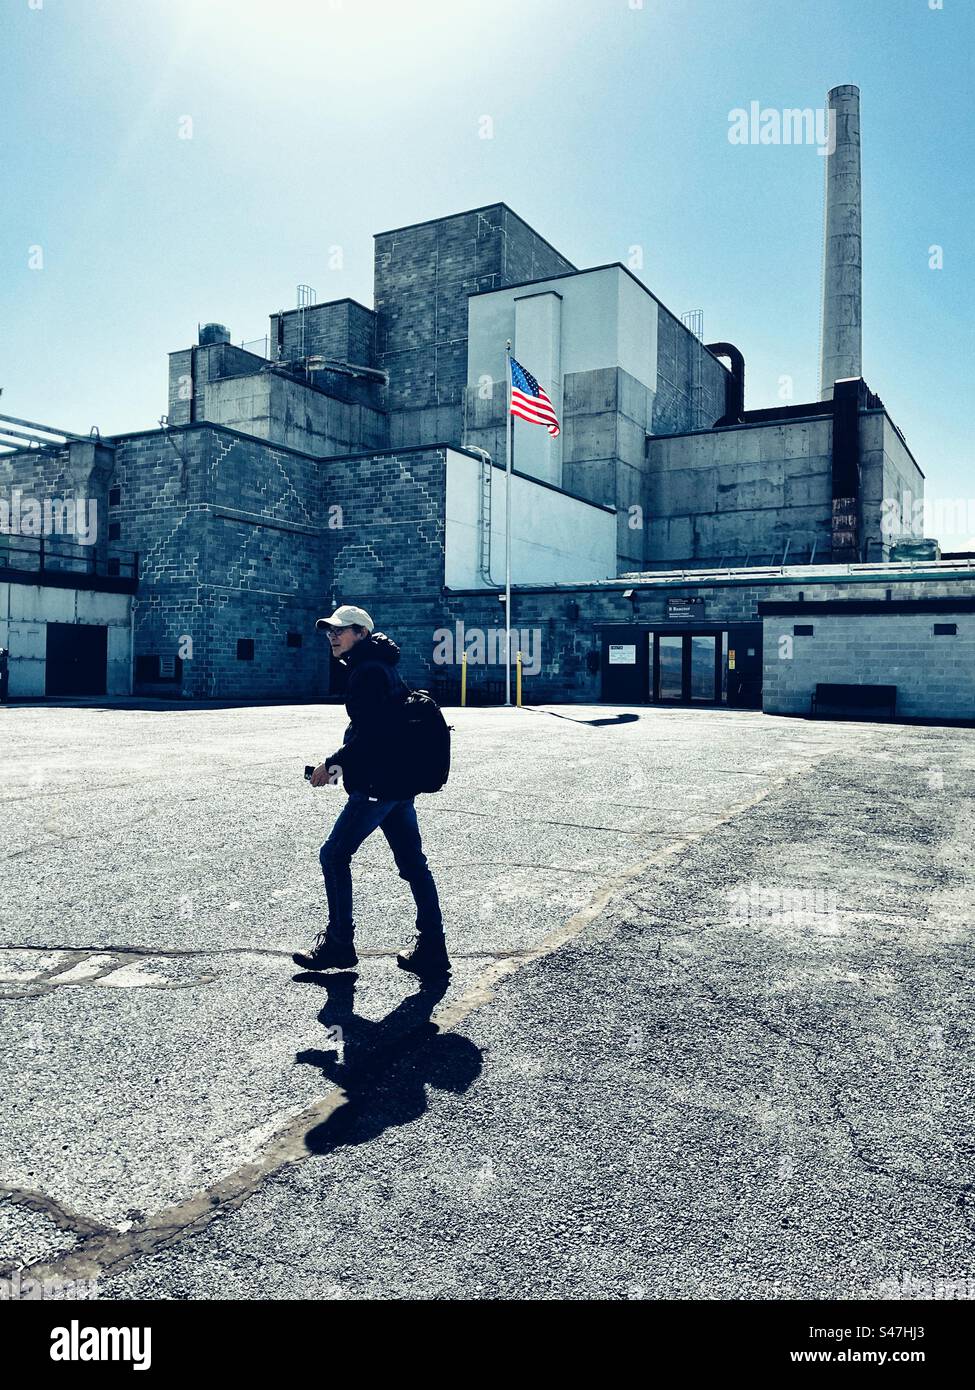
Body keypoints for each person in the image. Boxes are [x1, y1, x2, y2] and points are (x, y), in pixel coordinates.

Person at [293, 604, 450, 977]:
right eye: (329, 630)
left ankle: (339, 945)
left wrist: (329, 766)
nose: (332, 636)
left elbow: (373, 735)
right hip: (396, 784)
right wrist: (339, 768)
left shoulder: (367, 673)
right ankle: (432, 947)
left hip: (380, 786)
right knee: (413, 864)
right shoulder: (379, 666)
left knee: (333, 855)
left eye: (341, 630)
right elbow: (381, 730)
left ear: (361, 634)